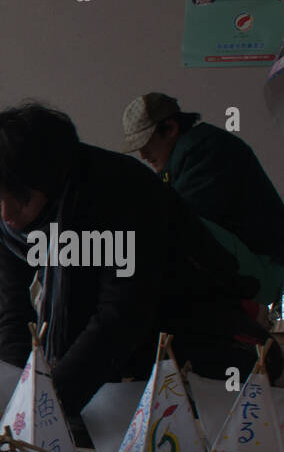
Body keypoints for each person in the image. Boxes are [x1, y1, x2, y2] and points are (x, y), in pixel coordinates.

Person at [0, 102, 279, 424]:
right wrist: (15, 394)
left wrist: (40, 406)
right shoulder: (8, 224)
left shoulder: (121, 192)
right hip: (114, 352)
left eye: (20, 198)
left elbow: (122, 315)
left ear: (53, 181)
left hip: (192, 340)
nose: (6, 215)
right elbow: (16, 314)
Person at [121, 92, 284, 305]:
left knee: (173, 226)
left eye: (146, 143)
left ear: (170, 129)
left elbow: (183, 222)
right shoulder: (179, 161)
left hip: (268, 272)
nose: (142, 154)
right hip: (256, 267)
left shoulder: (205, 148)